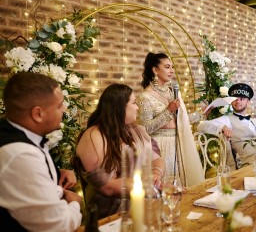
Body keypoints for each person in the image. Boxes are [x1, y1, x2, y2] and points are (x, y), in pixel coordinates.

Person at [0, 72, 82, 232]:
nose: (64, 110)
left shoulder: (19, 137)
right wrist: (74, 203)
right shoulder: (21, 154)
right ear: (38, 114)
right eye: (59, 105)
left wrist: (56, 173)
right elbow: (59, 226)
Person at [75, 83, 165, 219]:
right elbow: (106, 186)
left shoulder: (136, 131)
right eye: (134, 103)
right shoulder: (93, 136)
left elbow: (157, 159)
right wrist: (145, 185)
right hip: (109, 216)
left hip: (142, 207)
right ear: (120, 107)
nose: (138, 107)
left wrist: (156, 173)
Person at [138, 52, 204, 187]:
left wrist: (201, 114)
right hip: (160, 146)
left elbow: (180, 119)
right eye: (167, 67)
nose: (172, 71)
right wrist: (168, 110)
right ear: (155, 70)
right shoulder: (145, 97)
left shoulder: (172, 91)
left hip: (178, 143)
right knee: (166, 187)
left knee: (181, 187)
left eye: (172, 67)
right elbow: (144, 129)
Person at [197, 83, 256, 169]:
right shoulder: (227, 119)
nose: (238, 101)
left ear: (248, 102)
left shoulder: (254, 122)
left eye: (242, 99)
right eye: (235, 99)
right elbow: (201, 126)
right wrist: (222, 128)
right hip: (247, 165)